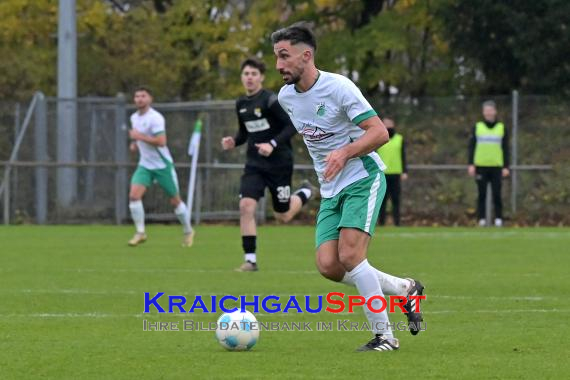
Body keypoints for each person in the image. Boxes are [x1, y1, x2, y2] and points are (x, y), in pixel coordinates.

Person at [272, 23, 424, 352]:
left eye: (284, 56)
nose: (279, 65)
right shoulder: (286, 97)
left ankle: (385, 337)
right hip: (330, 189)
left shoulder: (339, 87)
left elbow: (379, 132)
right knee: (329, 265)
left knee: (352, 256)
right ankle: (405, 288)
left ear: (306, 55)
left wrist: (344, 152)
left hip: (362, 177)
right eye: (276, 57)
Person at [221, 57, 313, 272]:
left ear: (261, 77)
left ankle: (306, 192)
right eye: (246, 74)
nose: (249, 78)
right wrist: (233, 141)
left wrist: (272, 144)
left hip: (279, 164)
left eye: (254, 74)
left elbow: (292, 126)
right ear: (242, 78)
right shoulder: (241, 104)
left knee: (284, 215)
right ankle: (250, 260)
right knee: (246, 207)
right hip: (254, 165)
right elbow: (245, 132)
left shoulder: (271, 100)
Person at [127, 86, 193, 247]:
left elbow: (161, 141)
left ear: (150, 99)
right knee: (134, 196)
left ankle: (188, 230)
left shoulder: (155, 118)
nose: (139, 99)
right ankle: (140, 232)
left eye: (143, 96)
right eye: (137, 96)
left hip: (162, 165)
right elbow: (139, 137)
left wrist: (138, 137)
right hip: (145, 165)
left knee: (175, 201)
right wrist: (135, 144)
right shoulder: (134, 117)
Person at [468, 100, 510, 227]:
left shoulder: (501, 127)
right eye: (486, 110)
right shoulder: (477, 127)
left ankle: (498, 218)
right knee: (482, 194)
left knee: (497, 194)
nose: (488, 113)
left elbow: (505, 148)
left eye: (490, 110)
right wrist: (471, 164)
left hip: (497, 166)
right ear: (483, 112)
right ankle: (481, 219)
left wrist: (506, 166)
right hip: (481, 165)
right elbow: (472, 146)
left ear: (495, 112)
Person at [376, 117, 408, 226]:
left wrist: (405, 171)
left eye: (389, 123)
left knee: (396, 200)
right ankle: (381, 223)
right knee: (382, 200)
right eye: (385, 123)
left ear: (393, 124)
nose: (387, 125)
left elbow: (403, 155)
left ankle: (397, 223)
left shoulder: (399, 139)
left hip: (395, 173)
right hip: (382, 174)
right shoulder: (379, 138)